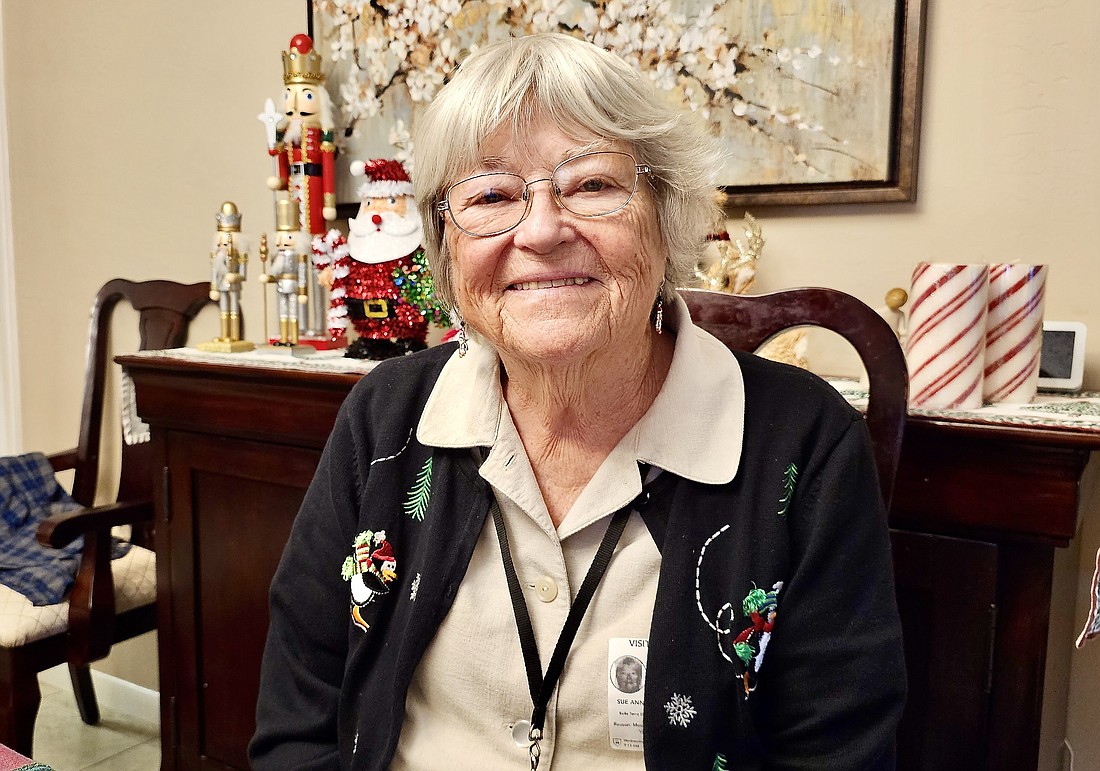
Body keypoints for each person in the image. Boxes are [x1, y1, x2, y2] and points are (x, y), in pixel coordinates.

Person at [250, 32, 905, 770]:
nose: (541, 230)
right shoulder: (387, 419)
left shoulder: (803, 442)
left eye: (592, 184)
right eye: (491, 195)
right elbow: (297, 717)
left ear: (666, 213)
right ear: (445, 246)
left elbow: (837, 751)